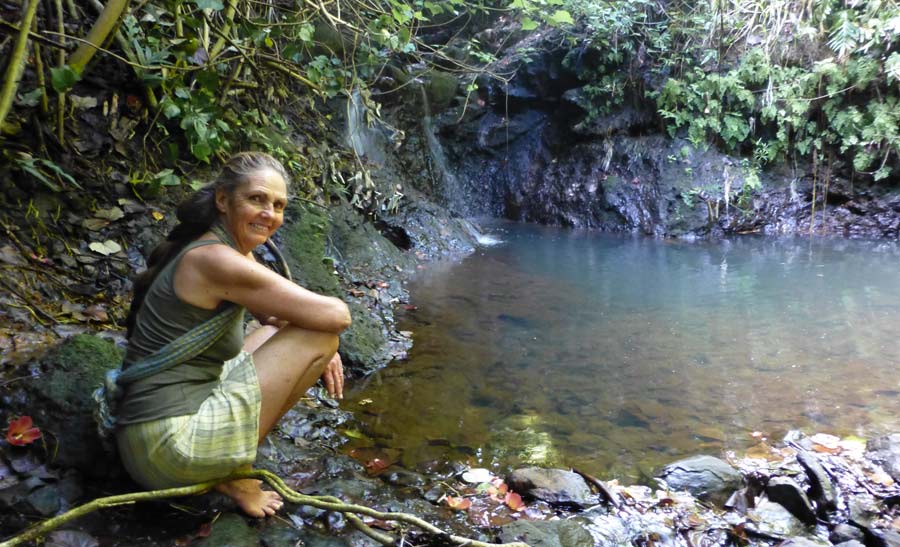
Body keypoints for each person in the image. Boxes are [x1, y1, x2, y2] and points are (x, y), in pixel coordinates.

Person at [115, 152, 351, 517]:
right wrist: (321, 340)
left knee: (276, 331)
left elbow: (271, 316)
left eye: (278, 205)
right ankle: (237, 474)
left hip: (148, 432)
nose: (269, 214)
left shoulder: (225, 249)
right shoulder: (215, 260)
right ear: (223, 200)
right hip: (167, 449)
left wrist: (310, 329)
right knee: (320, 338)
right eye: (256, 199)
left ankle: (227, 461)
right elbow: (337, 315)